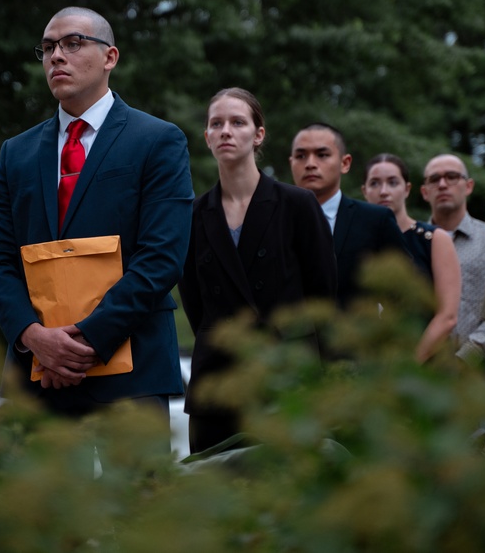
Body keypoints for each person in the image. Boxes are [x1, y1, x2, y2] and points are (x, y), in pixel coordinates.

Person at [0, 7, 194, 428]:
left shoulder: (158, 140)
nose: (56, 56)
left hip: (132, 371)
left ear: (110, 57)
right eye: (47, 48)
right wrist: (34, 337)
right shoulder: (15, 153)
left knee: (137, 496)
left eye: (73, 43)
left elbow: (161, 257)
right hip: (39, 378)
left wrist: (88, 340)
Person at [179, 88, 337, 454]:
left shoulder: (297, 204)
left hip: (287, 379)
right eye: (216, 124)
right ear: (206, 137)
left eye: (237, 122)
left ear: (259, 134)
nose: (225, 131)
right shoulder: (192, 216)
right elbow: (196, 305)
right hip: (217, 383)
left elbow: (322, 298)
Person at [289, 123, 408, 308]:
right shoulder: (273, 220)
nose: (310, 164)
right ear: (291, 163)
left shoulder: (375, 221)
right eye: (301, 156)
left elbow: (406, 291)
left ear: (344, 163)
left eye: (322, 155)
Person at [420, 154, 485, 367]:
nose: (443, 184)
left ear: (469, 186)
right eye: (434, 179)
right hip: (419, 368)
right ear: (424, 192)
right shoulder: (413, 240)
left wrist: (465, 358)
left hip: (478, 368)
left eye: (452, 177)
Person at [362, 154, 460, 363]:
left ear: (407, 189)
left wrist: (409, 363)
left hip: (426, 365)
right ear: (364, 191)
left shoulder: (434, 239)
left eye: (393, 182)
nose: (384, 191)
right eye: (375, 183)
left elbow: (447, 316)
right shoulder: (356, 242)